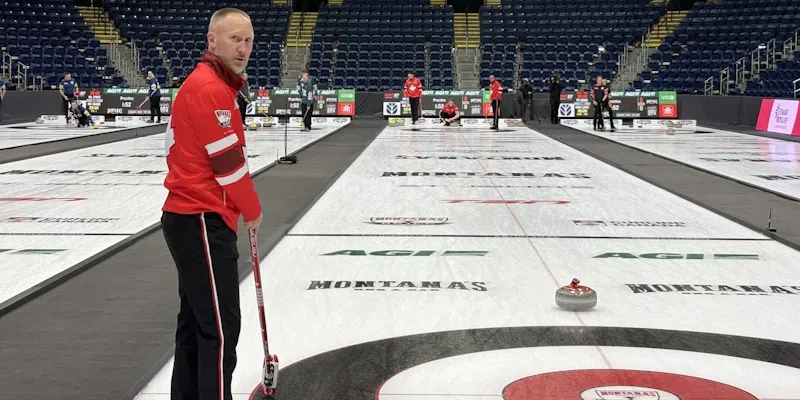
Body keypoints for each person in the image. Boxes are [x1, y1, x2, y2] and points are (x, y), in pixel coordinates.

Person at [160, 8, 262, 400]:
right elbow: (227, 164)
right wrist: (252, 210)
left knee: (196, 323)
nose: (243, 48)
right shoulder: (210, 89)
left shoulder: (216, 85)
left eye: (248, 40)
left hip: (191, 216)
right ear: (212, 40)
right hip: (200, 216)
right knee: (220, 329)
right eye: (235, 39)